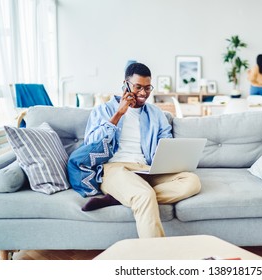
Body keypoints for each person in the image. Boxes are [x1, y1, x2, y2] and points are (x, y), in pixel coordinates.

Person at [83, 62, 201, 238]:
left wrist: (165, 160)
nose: (143, 93)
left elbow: (165, 142)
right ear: (126, 84)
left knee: (192, 182)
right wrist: (118, 115)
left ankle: (121, 197)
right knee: (144, 195)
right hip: (115, 169)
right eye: (138, 87)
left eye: (148, 88)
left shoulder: (155, 114)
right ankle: (155, 260)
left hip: (145, 169)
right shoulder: (103, 110)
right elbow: (91, 144)